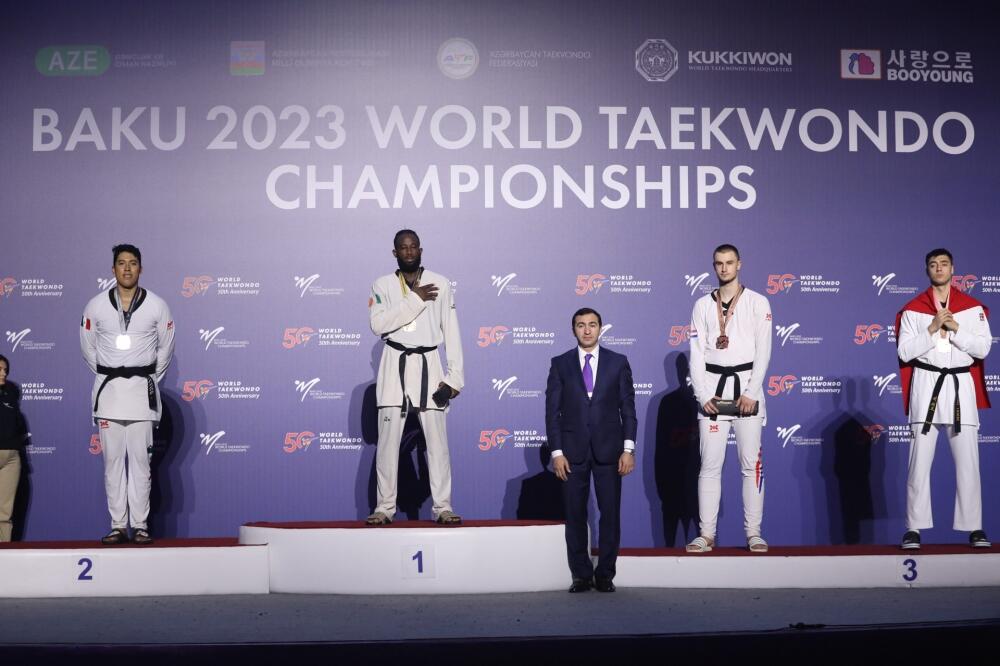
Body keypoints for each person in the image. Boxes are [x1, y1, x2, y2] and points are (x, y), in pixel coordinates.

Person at [896, 248, 991, 550]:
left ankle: (974, 527)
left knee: (968, 463)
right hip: (926, 383)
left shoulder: (972, 309)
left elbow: (983, 348)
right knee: (919, 463)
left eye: (944, 264)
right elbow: (904, 352)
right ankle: (913, 528)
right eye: (933, 265)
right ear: (927, 270)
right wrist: (933, 328)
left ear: (953, 269)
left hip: (960, 384)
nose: (939, 268)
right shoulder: (913, 310)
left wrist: (956, 328)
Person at [366, 230, 464, 525]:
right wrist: (415, 299)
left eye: (413, 247)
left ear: (421, 250)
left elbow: (452, 330)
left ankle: (443, 507)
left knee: (437, 444)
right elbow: (378, 324)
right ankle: (384, 508)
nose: (408, 251)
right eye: (402, 247)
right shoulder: (382, 284)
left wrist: (454, 379)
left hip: (429, 365)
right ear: (394, 252)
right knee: (387, 445)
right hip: (394, 364)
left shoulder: (440, 282)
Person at [81, 244, 174, 545]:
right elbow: (88, 348)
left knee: (141, 464)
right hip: (109, 395)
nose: (127, 268)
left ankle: (141, 525)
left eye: (133, 263)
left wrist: (147, 377)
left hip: (141, 396)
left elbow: (165, 349)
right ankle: (118, 525)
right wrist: (109, 372)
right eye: (121, 263)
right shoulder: (95, 305)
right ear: (113, 269)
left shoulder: (157, 305)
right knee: (112, 464)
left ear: (140, 269)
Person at [687, 244, 772, 553]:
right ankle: (706, 534)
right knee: (709, 466)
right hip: (712, 392)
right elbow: (696, 354)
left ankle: (754, 533)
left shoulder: (758, 302)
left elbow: (764, 351)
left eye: (729, 262)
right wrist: (702, 394)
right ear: (714, 266)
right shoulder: (701, 305)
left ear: (739, 265)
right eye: (719, 263)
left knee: (751, 465)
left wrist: (751, 391)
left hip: (747, 389)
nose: (724, 268)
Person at [545, 308, 637, 592]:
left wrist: (628, 449)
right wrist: (557, 453)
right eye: (581, 325)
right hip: (571, 453)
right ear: (573, 329)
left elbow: (628, 410)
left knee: (610, 514)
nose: (587, 330)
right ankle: (581, 575)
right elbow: (552, 413)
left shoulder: (618, 362)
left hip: (610, 451)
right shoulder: (560, 364)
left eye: (592, 325)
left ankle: (605, 574)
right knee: (575, 515)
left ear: (600, 328)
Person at [0, 354, 27, 542]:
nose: (4, 373)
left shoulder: (10, 392)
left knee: (5, 511)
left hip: (11, 458)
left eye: (5, 370)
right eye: (0, 370)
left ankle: (4, 550)